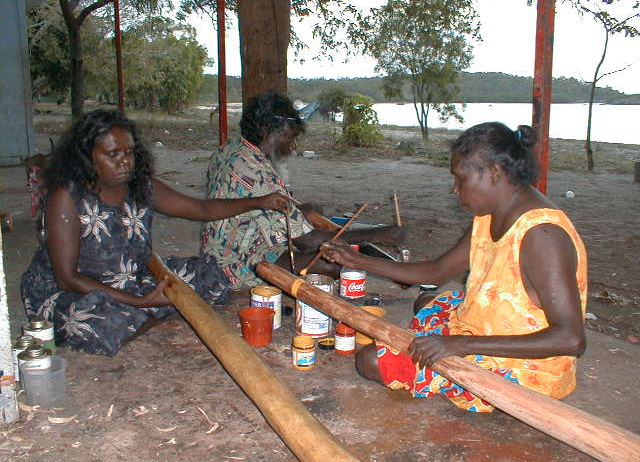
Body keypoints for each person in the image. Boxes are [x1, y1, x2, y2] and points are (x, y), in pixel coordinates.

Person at [321, 122, 588, 412]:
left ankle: (465, 362)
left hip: (525, 370)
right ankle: (454, 342)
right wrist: (356, 259)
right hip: (483, 331)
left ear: (494, 173)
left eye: (460, 179)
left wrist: (461, 345)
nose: (455, 190)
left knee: (371, 360)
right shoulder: (490, 215)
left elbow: (571, 338)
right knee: (426, 300)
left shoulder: (543, 236)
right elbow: (437, 272)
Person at [20, 109, 290, 356]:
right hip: (75, 289)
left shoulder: (141, 187)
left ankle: (150, 309)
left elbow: (202, 209)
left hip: (132, 276)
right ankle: (151, 309)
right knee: (100, 323)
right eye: (112, 155)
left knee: (211, 277)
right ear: (86, 156)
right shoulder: (67, 196)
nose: (125, 162)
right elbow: (68, 278)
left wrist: (259, 201)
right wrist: (138, 301)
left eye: (129, 152)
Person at [200, 93, 404, 288]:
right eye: (288, 137)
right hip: (239, 266)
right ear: (265, 131)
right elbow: (308, 242)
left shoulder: (230, 149)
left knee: (316, 228)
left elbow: (251, 207)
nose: (292, 146)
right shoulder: (259, 173)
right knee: (335, 265)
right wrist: (378, 234)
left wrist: (299, 212)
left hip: (218, 252)